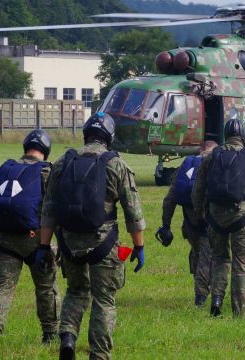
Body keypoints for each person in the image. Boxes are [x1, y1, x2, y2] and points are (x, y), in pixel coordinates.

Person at [37, 112, 146, 360]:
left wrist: (44, 246)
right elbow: (133, 212)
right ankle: (99, 354)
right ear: (110, 137)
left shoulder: (63, 162)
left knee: (75, 291)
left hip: (69, 243)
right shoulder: (116, 164)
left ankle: (67, 337)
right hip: (103, 243)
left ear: (85, 134)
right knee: (103, 300)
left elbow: (49, 209)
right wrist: (139, 247)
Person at [0, 129, 60, 356]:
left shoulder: (5, 169)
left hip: (4, 240)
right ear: (46, 151)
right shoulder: (47, 172)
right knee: (46, 287)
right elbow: (56, 212)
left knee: (3, 286)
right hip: (37, 242)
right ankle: (50, 334)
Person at [192, 119, 245, 317]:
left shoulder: (211, 156)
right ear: (242, 136)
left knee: (219, 258)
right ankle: (239, 310)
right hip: (242, 217)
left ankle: (216, 300)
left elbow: (198, 190)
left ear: (226, 135)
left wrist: (200, 214)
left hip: (215, 218)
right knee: (241, 262)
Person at [156, 140, 217, 307]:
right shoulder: (214, 165)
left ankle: (200, 288)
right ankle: (201, 298)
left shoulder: (187, 165)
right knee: (206, 257)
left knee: (197, 252)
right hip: (208, 221)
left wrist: (166, 226)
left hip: (190, 224)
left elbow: (170, 199)